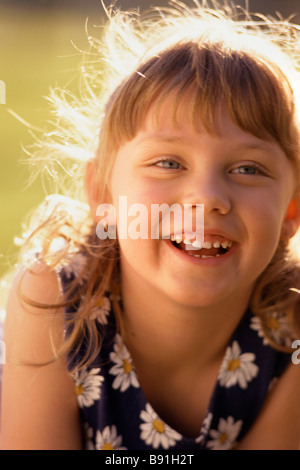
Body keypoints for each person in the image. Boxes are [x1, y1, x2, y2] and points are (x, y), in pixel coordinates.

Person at [1, 0, 300, 450]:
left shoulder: (292, 328)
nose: (208, 198)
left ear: (291, 212)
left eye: (248, 169)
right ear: (103, 194)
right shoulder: (54, 302)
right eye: (169, 162)